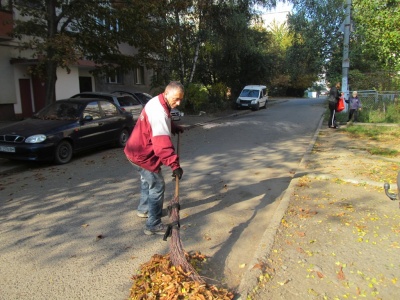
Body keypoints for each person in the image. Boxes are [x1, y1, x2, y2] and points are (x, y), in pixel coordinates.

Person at [124, 81, 185, 235]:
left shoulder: (157, 101)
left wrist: (173, 127)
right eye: (176, 99)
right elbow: (162, 146)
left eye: (181, 100)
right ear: (166, 93)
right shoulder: (160, 113)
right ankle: (153, 224)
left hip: (134, 151)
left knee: (147, 181)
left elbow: (162, 122)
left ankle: (144, 209)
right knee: (157, 185)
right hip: (143, 155)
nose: (178, 103)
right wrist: (175, 165)